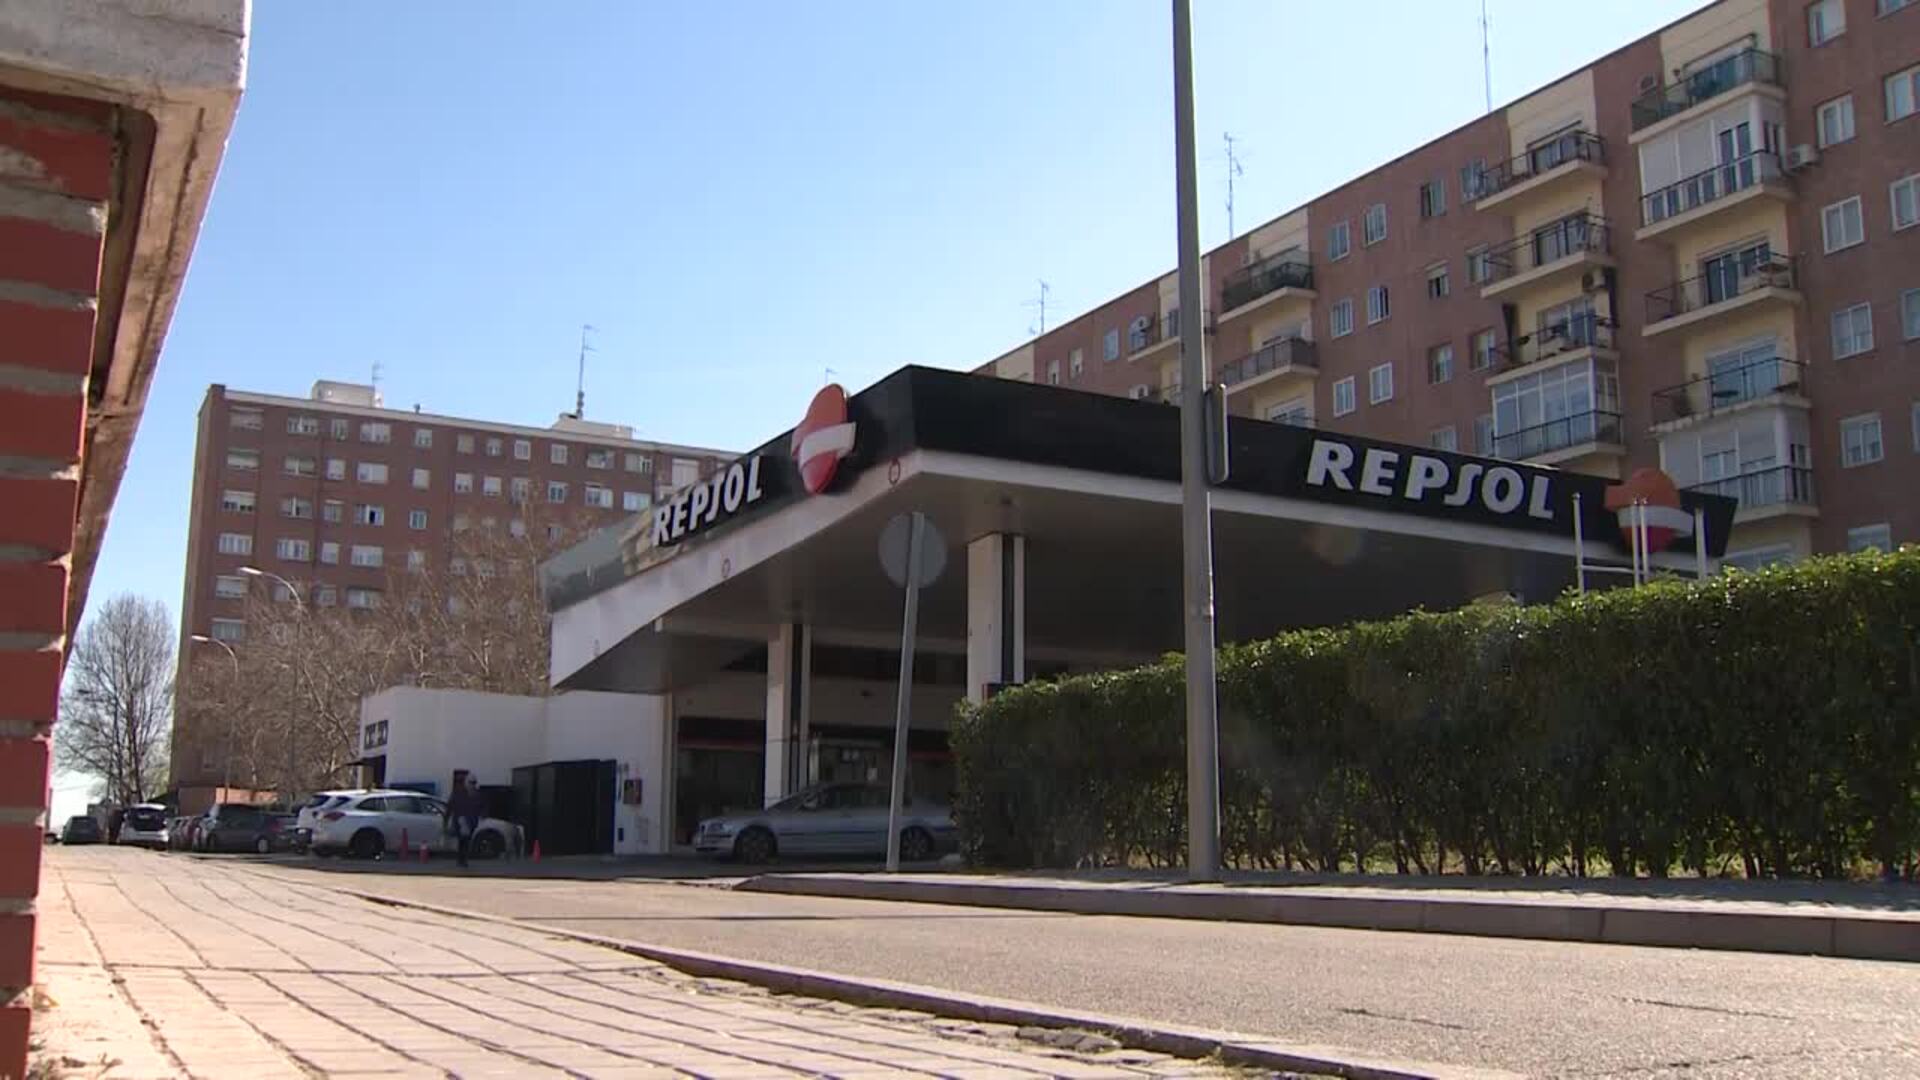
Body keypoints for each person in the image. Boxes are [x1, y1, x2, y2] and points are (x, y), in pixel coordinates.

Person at [446, 773, 486, 869]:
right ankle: (461, 860)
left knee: (466, 841)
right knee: (462, 840)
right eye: (471, 782)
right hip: (460, 820)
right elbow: (450, 806)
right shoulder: (458, 793)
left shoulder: (477, 794)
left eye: (474, 783)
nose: (472, 785)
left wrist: (482, 815)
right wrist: (448, 819)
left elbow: (483, 806)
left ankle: (463, 860)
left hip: (471, 821)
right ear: (466, 783)